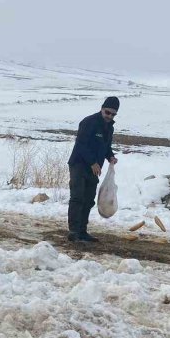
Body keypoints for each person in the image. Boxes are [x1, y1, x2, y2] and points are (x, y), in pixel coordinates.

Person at [67, 96, 119, 241]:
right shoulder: (88, 122)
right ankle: (74, 232)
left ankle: (82, 231)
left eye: (113, 114)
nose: (109, 116)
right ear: (102, 108)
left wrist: (110, 157)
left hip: (94, 169)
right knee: (77, 198)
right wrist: (92, 162)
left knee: (89, 199)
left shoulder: (109, 127)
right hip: (79, 164)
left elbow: (105, 146)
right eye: (107, 112)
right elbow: (81, 144)